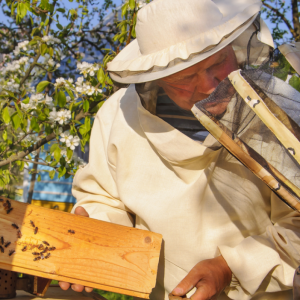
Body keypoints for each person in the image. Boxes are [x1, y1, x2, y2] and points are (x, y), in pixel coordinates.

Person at [59, 0, 300, 299]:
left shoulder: (280, 109)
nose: (211, 86)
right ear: (156, 76)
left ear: (233, 47)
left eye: (217, 63)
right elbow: (105, 199)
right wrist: (95, 231)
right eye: (186, 77)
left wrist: (231, 267)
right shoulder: (117, 116)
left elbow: (297, 222)